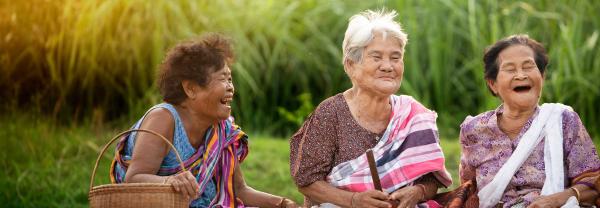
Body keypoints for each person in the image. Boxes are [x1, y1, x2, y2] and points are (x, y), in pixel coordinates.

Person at [110, 34, 298, 208]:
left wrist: (282, 203)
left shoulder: (223, 129)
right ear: (191, 89)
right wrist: (169, 181)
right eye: (223, 78)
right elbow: (133, 178)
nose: (231, 87)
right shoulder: (164, 119)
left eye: (230, 79)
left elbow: (239, 190)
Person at [289, 9, 452, 208]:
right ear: (351, 65)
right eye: (376, 57)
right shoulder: (331, 113)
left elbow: (432, 178)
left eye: (395, 57)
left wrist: (417, 192)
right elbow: (307, 181)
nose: (387, 66)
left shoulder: (413, 114)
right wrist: (354, 200)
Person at [459, 34, 600, 208]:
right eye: (510, 69)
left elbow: (593, 185)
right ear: (493, 84)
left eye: (528, 67)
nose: (520, 75)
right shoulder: (473, 130)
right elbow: (468, 190)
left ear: (542, 76)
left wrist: (557, 199)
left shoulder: (563, 121)